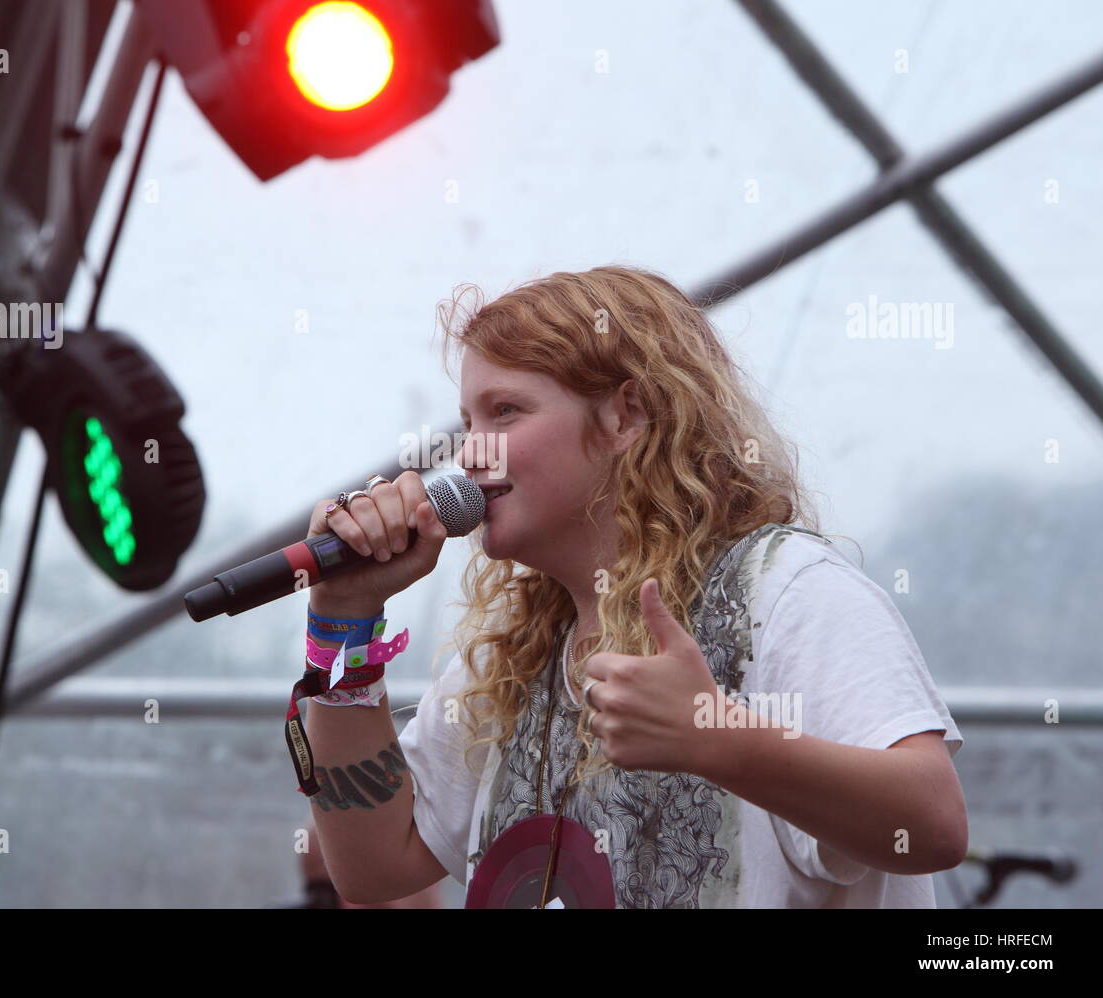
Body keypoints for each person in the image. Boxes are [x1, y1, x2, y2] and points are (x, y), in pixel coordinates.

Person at [302, 264, 966, 908]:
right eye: (469, 423)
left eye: (505, 413)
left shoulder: (787, 592)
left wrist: (718, 739)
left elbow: (932, 822)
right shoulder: (519, 652)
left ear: (626, 416)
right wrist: (344, 624)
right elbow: (373, 867)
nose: (471, 453)